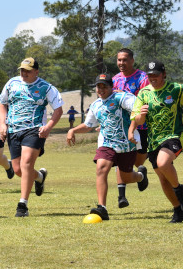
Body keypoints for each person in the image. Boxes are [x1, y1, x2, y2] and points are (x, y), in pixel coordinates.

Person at [67, 74, 148, 220]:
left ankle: (141, 176)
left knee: (127, 177)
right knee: (101, 167)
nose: (101, 89)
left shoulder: (121, 98)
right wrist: (73, 130)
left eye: (105, 86)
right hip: (107, 143)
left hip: (126, 144)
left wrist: (132, 128)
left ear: (112, 87)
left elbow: (137, 107)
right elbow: (88, 125)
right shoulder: (95, 105)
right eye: (99, 86)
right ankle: (102, 207)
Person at [0, 57, 63, 217]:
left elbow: (58, 109)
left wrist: (48, 127)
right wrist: (3, 124)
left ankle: (22, 206)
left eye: (27, 70)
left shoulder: (46, 87)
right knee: (18, 169)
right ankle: (39, 177)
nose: (24, 73)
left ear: (36, 72)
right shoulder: (12, 83)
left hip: (34, 129)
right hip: (13, 130)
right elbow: (1, 103)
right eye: (22, 70)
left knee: (26, 164)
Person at [128, 61, 183, 223]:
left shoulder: (177, 89)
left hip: (174, 135)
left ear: (163, 74)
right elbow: (137, 119)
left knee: (163, 163)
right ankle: (178, 211)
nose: (153, 78)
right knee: (163, 179)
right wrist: (142, 115)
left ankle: (180, 191)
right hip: (153, 141)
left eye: (156, 75)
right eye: (150, 75)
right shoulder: (144, 93)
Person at [113, 48, 150, 208]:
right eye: (119, 60)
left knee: (138, 161)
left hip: (142, 126)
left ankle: (141, 173)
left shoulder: (142, 78)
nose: (122, 63)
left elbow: (147, 99)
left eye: (125, 60)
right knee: (120, 157)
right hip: (121, 127)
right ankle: (121, 196)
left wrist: (125, 95)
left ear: (132, 60)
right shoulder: (114, 80)